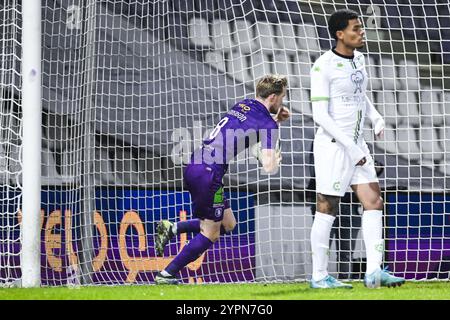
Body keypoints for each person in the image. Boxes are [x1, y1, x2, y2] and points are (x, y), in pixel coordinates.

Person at [154, 74, 290, 284]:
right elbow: (269, 167)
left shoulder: (243, 104)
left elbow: (253, 125)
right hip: (209, 173)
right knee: (210, 233)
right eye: (282, 97)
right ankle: (167, 274)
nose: (282, 102)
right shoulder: (268, 126)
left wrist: (275, 119)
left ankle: (172, 228)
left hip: (197, 164)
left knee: (228, 224)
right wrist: (275, 157)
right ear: (273, 97)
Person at [309, 9, 405, 289]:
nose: (361, 32)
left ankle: (374, 272)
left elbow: (358, 94)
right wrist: (350, 147)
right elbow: (320, 115)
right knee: (327, 207)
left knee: (374, 201)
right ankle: (318, 276)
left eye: (361, 28)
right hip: (333, 146)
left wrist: (375, 116)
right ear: (340, 34)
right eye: (356, 28)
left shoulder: (360, 59)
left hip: (357, 144)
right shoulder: (322, 66)